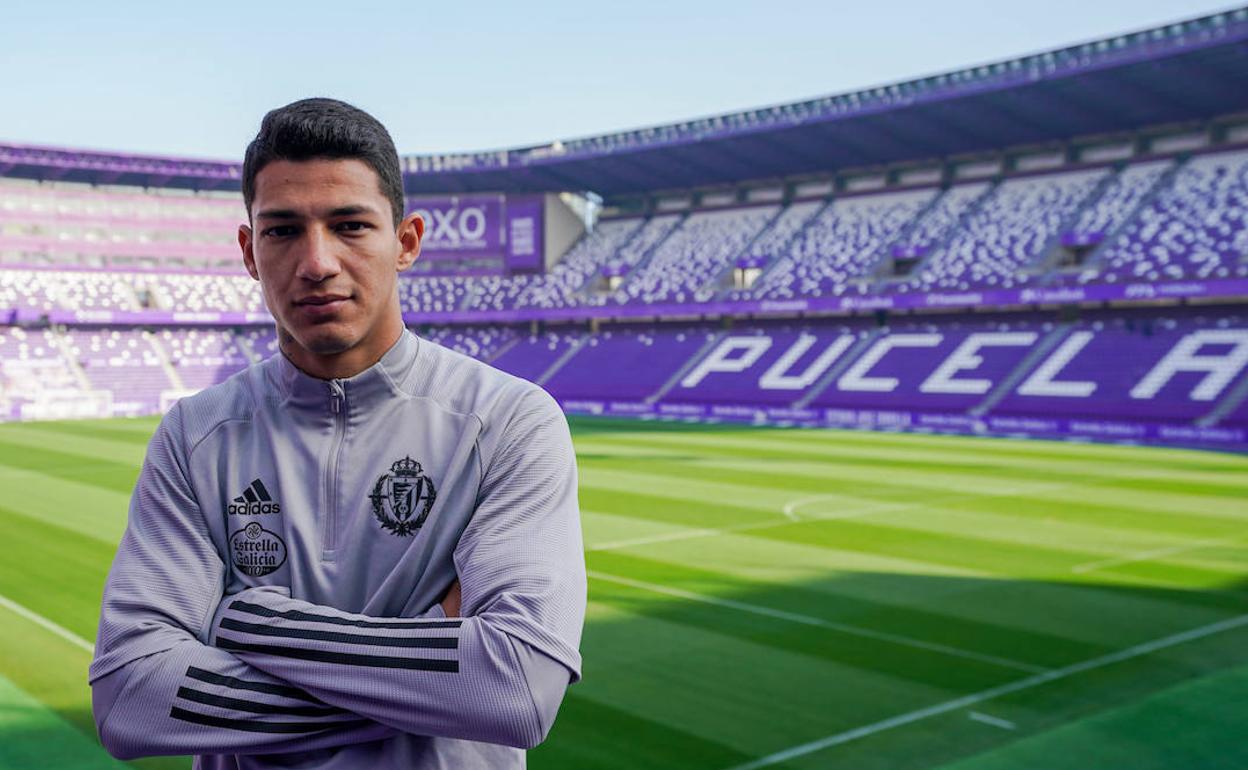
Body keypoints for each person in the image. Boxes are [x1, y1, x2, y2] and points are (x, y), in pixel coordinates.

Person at [89, 98, 586, 769]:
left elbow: (517, 689)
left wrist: (245, 621)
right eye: (283, 230)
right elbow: (129, 701)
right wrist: (432, 658)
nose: (317, 261)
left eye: (350, 225)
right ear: (248, 250)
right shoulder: (196, 438)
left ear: (405, 241)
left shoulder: (507, 422)